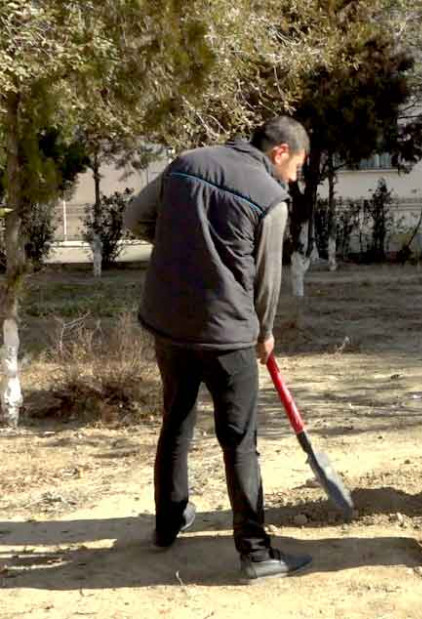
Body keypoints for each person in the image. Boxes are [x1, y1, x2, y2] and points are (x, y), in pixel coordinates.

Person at [125, 116, 312, 581]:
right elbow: (266, 280)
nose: (294, 179)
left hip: (169, 322)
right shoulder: (271, 199)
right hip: (227, 333)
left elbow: (134, 217)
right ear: (280, 153)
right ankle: (256, 553)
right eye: (296, 168)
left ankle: (168, 524)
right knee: (240, 440)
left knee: (176, 420)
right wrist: (265, 332)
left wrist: (184, 246)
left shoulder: (186, 163)